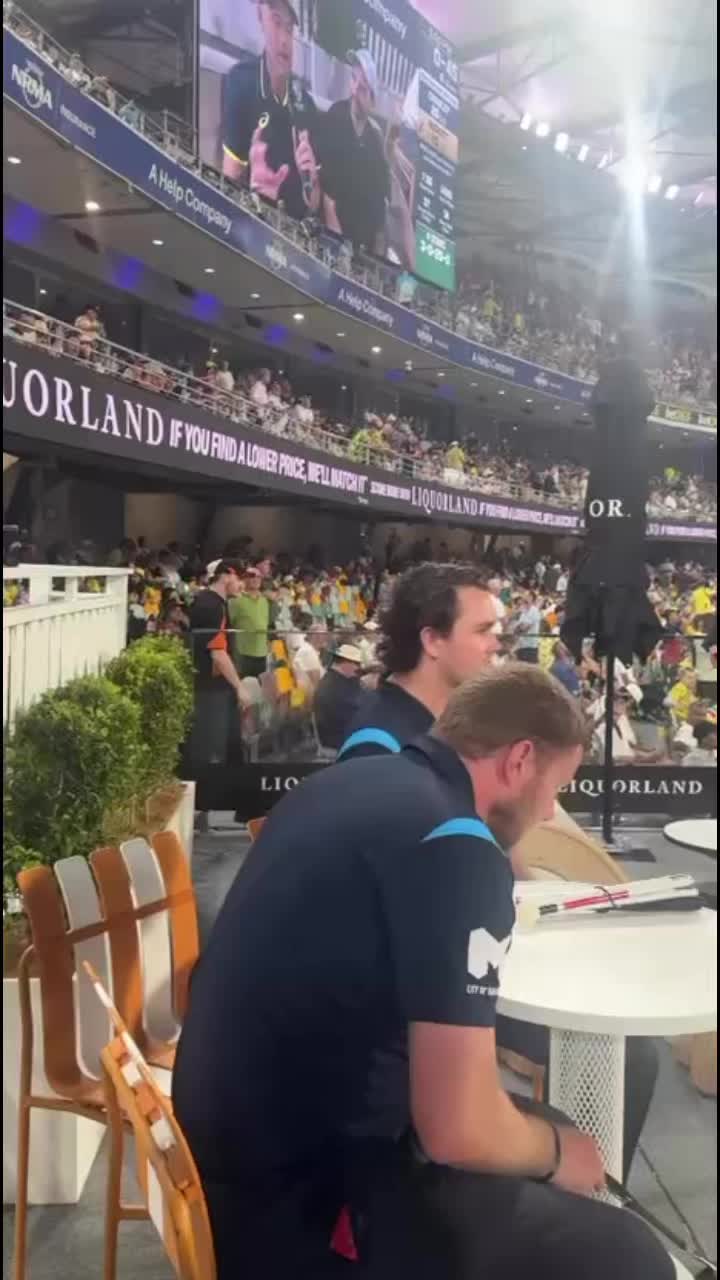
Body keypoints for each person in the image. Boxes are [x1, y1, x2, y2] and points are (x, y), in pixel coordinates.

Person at [173, 665, 672, 1280]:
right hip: (305, 1201)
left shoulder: (350, 783)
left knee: (546, 1140)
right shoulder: (456, 844)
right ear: (519, 759)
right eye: (556, 788)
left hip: (233, 1151)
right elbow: (456, 1131)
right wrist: (557, 1155)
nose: (549, 813)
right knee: (627, 1253)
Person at [338, 563, 499, 762]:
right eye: (482, 631)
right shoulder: (377, 748)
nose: (495, 645)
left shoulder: (452, 725)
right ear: (432, 641)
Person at [221, 0, 321, 219]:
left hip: (297, 239)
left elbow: (314, 204)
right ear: (260, 17)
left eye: (289, 28)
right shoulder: (242, 82)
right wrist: (257, 195)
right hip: (251, 228)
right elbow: (227, 183)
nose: (284, 40)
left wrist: (312, 181)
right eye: (276, 23)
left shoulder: (307, 107)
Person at [182, 560, 251, 778]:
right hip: (210, 691)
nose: (243, 585)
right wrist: (240, 687)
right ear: (227, 575)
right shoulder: (210, 606)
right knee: (210, 750)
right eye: (240, 579)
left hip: (213, 688)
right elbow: (218, 653)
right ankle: (207, 800)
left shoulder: (213, 603)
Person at [321, 49, 390, 253]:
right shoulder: (336, 116)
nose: (356, 89)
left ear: (372, 99)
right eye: (354, 80)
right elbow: (327, 194)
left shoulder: (375, 143)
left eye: (363, 88)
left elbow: (380, 214)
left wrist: (376, 261)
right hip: (334, 242)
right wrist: (338, 245)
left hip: (363, 249)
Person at [313, 642, 366, 749]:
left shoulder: (342, 679)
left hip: (346, 734)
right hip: (338, 741)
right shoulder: (331, 687)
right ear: (345, 663)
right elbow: (355, 711)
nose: (359, 669)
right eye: (357, 664)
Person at [228, 567, 271, 679]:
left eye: (258, 576)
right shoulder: (235, 601)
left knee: (260, 689)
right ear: (244, 579)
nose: (255, 579)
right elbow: (229, 625)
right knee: (243, 686)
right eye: (251, 576)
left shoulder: (264, 601)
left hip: (262, 652)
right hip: (243, 653)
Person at [514, 590, 542, 664]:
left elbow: (524, 628)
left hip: (530, 647)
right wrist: (519, 627)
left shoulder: (534, 611)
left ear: (531, 598)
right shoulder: (523, 611)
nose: (523, 597)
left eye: (526, 595)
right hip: (521, 646)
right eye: (523, 595)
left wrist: (520, 627)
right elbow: (516, 629)